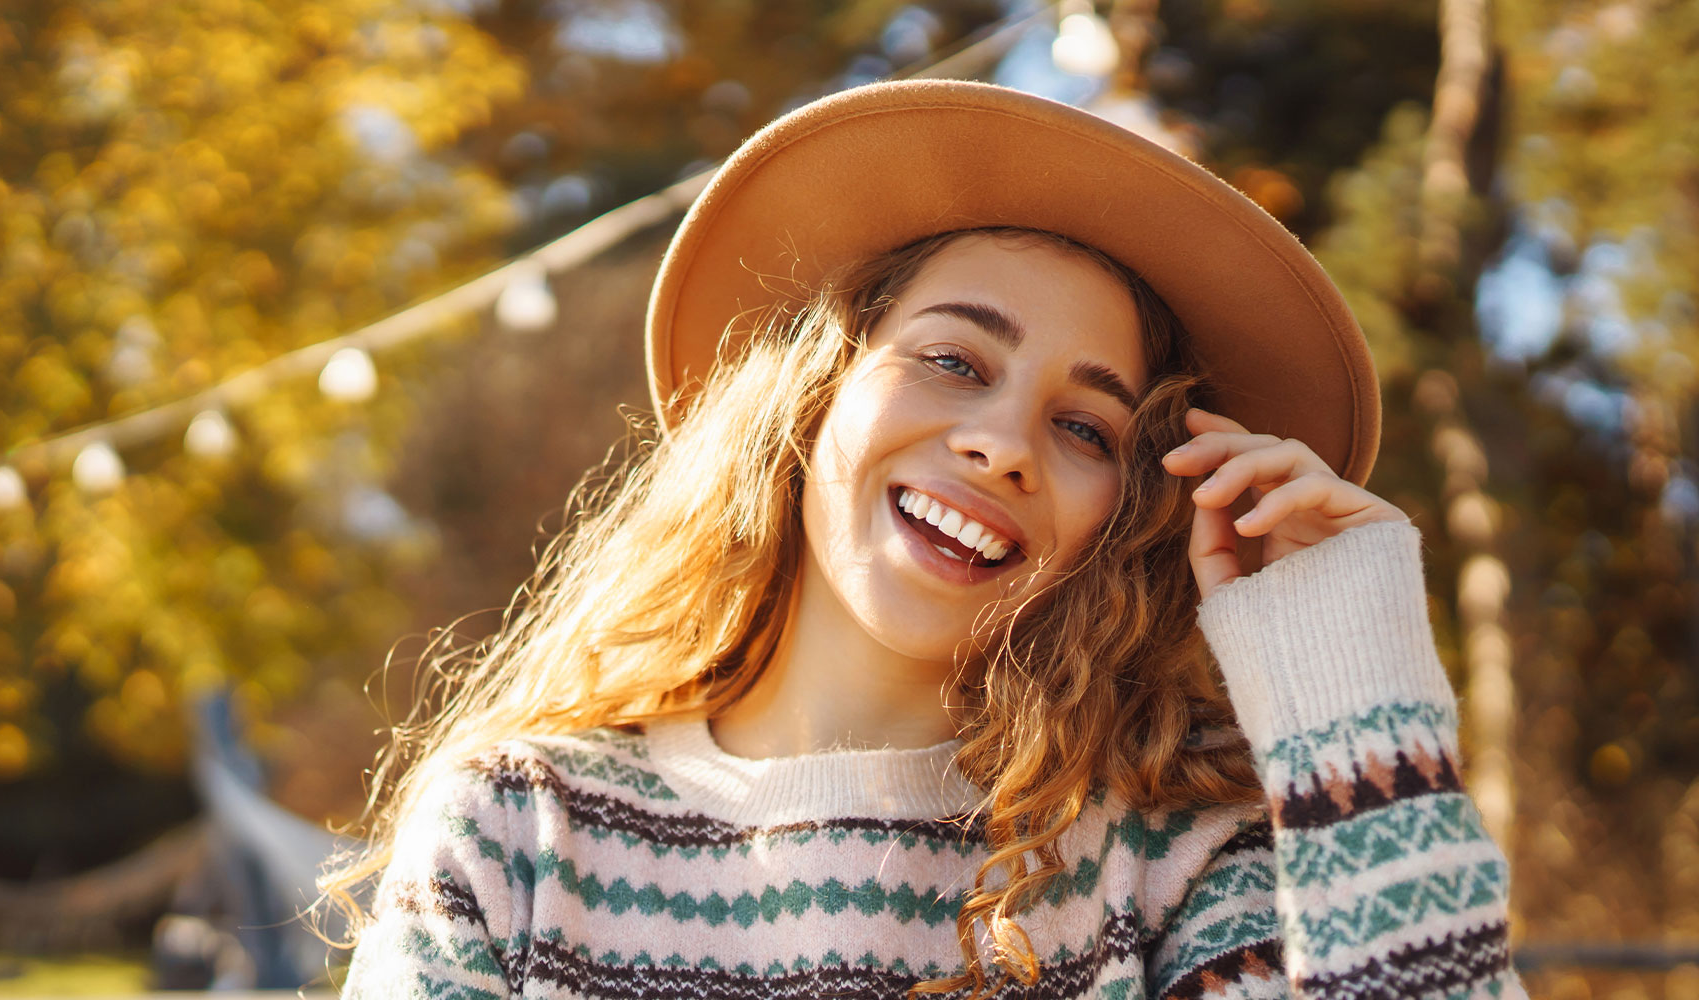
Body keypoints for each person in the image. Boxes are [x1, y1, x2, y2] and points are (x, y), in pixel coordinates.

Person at [320, 80, 1527, 999]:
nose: (1000, 444)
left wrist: (1343, 667)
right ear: (807, 398)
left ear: (1130, 518)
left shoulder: (1164, 863)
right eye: (952, 360)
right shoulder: (523, 829)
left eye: (1083, 427)